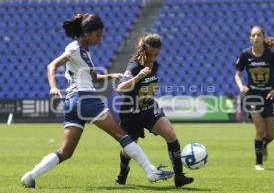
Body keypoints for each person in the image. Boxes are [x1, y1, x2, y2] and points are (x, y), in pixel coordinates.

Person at [20, 13, 174, 188]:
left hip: (72, 103)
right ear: (87, 33)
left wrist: (111, 76)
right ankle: (150, 170)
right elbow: (52, 65)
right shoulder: (74, 49)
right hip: (86, 99)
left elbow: (93, 77)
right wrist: (53, 86)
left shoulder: (83, 52)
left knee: (66, 151)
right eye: (98, 34)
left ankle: (30, 176)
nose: (100, 39)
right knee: (122, 135)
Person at [114, 33, 194, 187]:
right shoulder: (134, 66)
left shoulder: (155, 65)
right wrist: (137, 77)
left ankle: (179, 177)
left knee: (170, 134)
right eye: (150, 54)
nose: (152, 58)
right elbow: (120, 88)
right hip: (131, 112)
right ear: (143, 49)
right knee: (129, 149)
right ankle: (122, 174)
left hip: (150, 108)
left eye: (156, 54)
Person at [235, 26, 274, 171]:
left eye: (258, 35)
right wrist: (241, 86)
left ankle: (264, 145)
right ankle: (258, 163)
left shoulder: (271, 55)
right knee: (260, 130)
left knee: (270, 135)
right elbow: (237, 75)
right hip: (252, 96)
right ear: (250, 38)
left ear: (263, 37)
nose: (256, 37)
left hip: (269, 96)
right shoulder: (245, 55)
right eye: (253, 35)